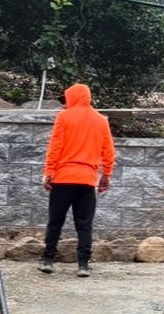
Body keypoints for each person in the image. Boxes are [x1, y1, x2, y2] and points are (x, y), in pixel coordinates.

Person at [40, 83, 114, 277]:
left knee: (55, 221)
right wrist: (106, 175)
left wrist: (48, 173)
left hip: (63, 179)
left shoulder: (64, 117)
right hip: (87, 181)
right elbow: (108, 152)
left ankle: (48, 260)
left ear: (71, 97)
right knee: (84, 225)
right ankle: (83, 265)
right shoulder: (101, 120)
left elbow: (55, 147)